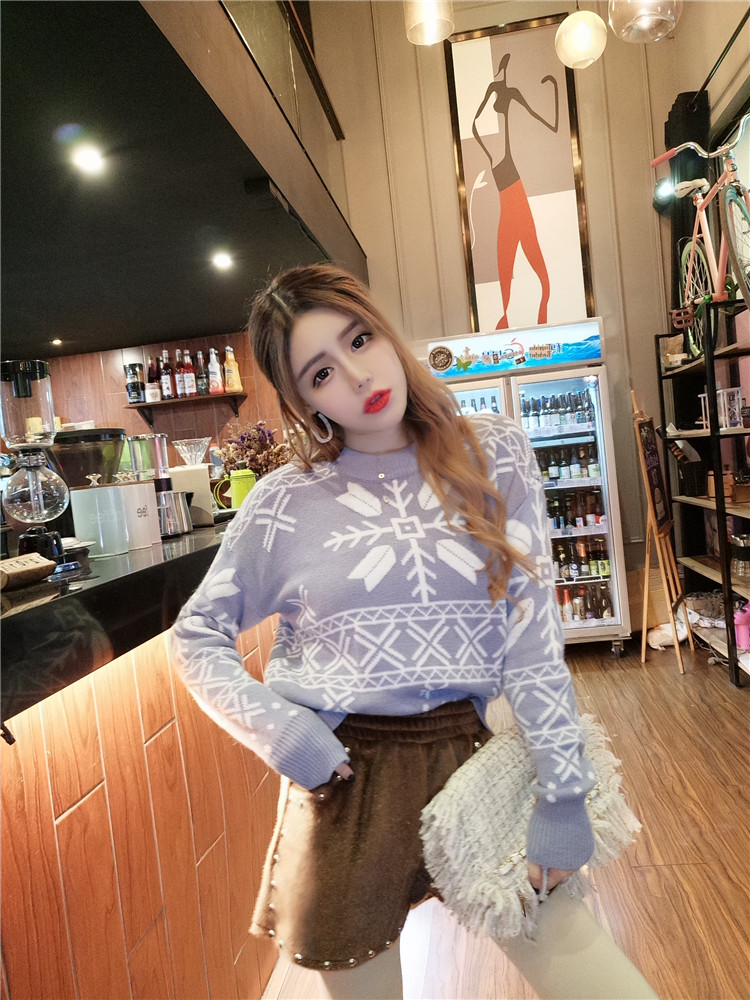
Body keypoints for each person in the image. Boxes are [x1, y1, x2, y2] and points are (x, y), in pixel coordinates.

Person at [172, 264, 657, 1000]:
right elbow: (196, 634)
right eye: (321, 372)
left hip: (474, 757)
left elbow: (531, 642)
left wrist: (564, 793)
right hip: (344, 782)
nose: (358, 375)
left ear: (384, 330)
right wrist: (281, 731)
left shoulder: (494, 452)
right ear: (304, 401)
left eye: (359, 339)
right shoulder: (283, 504)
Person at [472, 53, 559, 329]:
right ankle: (517, 326)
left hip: (515, 194)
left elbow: (547, 121)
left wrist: (551, 91)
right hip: (507, 196)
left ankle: (538, 325)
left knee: (533, 271)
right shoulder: (495, 91)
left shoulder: (511, 94)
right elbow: (475, 125)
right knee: (508, 269)